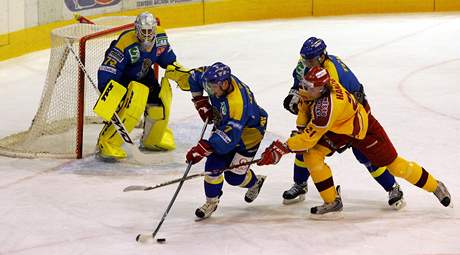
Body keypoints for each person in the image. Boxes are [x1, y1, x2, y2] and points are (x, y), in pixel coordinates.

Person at [258, 66, 451, 218]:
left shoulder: (327, 108)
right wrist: (296, 134)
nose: (303, 90)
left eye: (308, 87)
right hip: (338, 130)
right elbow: (304, 113)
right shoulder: (315, 91)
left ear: (321, 88)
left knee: (395, 167)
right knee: (312, 155)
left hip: (363, 130)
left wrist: (284, 146)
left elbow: (309, 138)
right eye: (304, 85)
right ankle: (332, 201)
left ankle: (435, 186)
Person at [282, 37, 404, 209]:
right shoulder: (307, 66)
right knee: (306, 145)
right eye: (306, 60)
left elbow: (336, 103)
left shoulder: (332, 72)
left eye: (312, 60)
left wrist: (312, 117)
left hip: (350, 117)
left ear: (322, 56)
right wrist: (293, 97)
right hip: (330, 115)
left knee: (364, 153)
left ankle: (392, 187)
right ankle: (300, 184)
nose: (308, 63)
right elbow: (300, 85)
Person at [95, 12, 191, 160]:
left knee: (159, 103)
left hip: (144, 75)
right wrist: (108, 92)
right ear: (136, 29)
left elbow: (169, 61)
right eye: (143, 31)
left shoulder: (160, 38)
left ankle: (152, 139)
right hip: (123, 79)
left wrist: (181, 74)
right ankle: (107, 141)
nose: (147, 35)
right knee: (132, 105)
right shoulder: (125, 42)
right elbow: (109, 69)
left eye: (150, 31)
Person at [185, 62, 268, 219]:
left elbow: (229, 138)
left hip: (249, 134)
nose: (210, 91)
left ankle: (255, 182)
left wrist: (205, 147)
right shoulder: (215, 80)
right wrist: (200, 102)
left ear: (224, 83)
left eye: (212, 87)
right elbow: (194, 76)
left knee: (234, 178)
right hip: (227, 125)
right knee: (212, 167)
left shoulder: (238, 104)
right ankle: (211, 202)